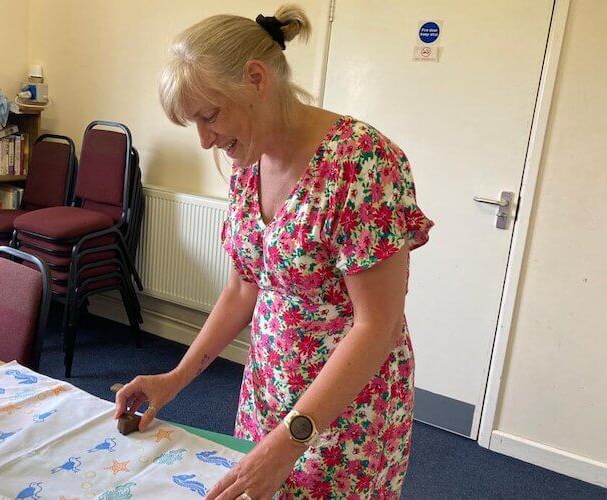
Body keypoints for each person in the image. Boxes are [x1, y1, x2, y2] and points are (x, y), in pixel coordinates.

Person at [115, 4, 433, 498]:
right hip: (268, 390)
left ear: (257, 79)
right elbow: (244, 286)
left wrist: (290, 441)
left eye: (209, 116)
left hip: (345, 414)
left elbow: (377, 324)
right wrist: (175, 379)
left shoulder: (363, 164)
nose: (204, 140)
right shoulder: (246, 162)